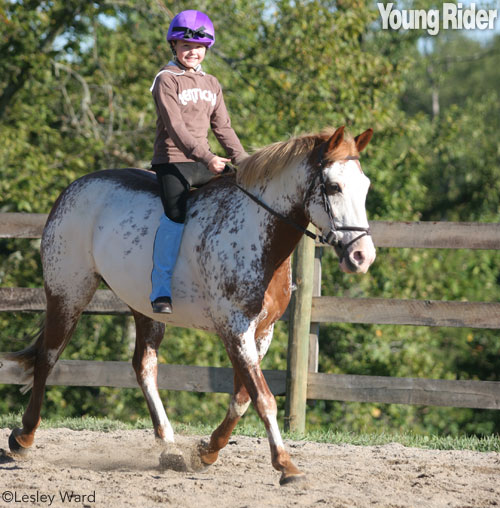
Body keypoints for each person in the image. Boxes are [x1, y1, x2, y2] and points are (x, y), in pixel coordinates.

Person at [149, 9, 248, 314]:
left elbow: (223, 127)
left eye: (198, 47)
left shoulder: (212, 84)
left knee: (239, 201)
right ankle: (161, 289)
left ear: (206, 49)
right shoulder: (166, 80)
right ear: (174, 47)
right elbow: (176, 129)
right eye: (185, 46)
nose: (192, 52)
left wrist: (243, 161)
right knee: (175, 215)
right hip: (173, 162)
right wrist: (208, 158)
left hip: (205, 162)